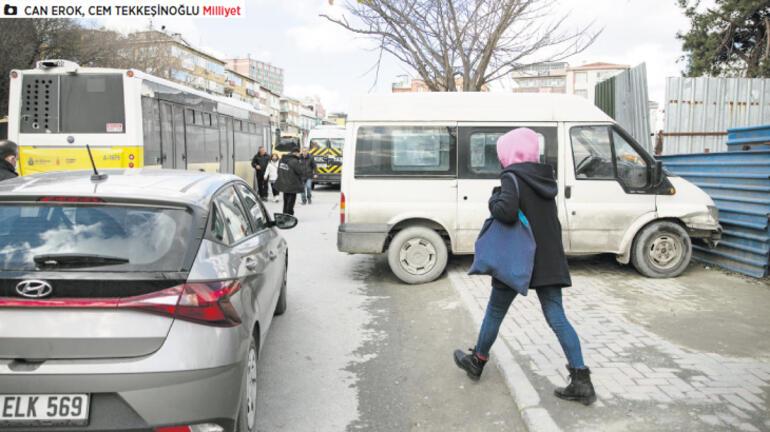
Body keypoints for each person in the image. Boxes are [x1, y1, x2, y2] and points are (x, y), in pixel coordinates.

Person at [453, 128, 596, 406]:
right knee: (557, 316)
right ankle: (581, 380)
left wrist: (493, 198)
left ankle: (477, 361)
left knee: (495, 311)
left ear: (509, 152)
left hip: (518, 256)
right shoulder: (545, 177)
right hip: (548, 258)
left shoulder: (511, 176)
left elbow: (505, 211)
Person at [274, 146, 304, 216]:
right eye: (299, 153)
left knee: (286, 200)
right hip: (292, 184)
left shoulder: (282, 160)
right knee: (291, 200)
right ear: (296, 153)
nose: (299, 155)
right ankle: (289, 214)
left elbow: (278, 171)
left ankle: (285, 213)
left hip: (284, 184)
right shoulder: (295, 161)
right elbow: (300, 172)